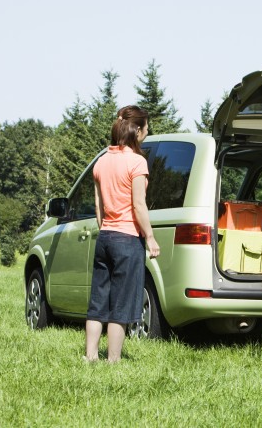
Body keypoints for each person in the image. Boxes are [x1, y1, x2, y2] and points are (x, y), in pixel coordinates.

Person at [84, 105, 161, 363]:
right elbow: (139, 205)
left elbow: (99, 207)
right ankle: (113, 360)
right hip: (128, 240)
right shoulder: (137, 162)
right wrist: (149, 237)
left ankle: (90, 355)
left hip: (105, 237)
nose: (147, 132)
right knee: (122, 303)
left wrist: (105, 227)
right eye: (146, 128)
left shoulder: (102, 161)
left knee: (98, 301)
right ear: (137, 130)